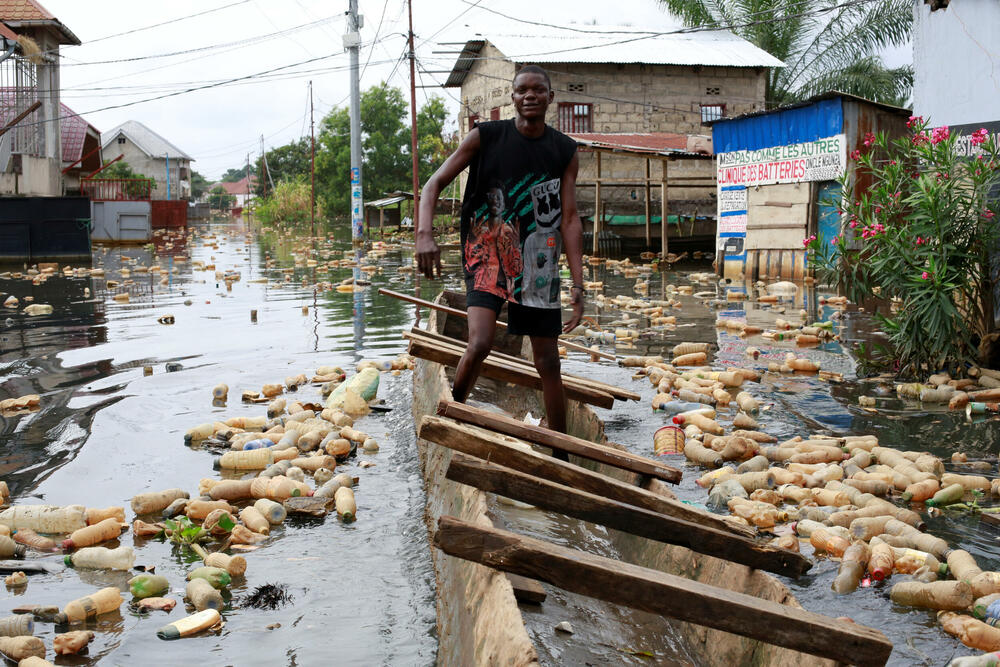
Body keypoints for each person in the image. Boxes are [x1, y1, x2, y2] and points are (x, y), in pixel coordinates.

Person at [415, 64, 584, 436]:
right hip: (487, 250)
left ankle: (561, 449)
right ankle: (451, 414)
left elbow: (570, 219)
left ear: (550, 98)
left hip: (539, 259)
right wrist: (424, 235)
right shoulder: (485, 137)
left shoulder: (564, 151)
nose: (530, 96)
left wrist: (578, 283)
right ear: (512, 97)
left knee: (549, 362)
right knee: (480, 342)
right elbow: (433, 184)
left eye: (538, 90)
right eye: (522, 90)